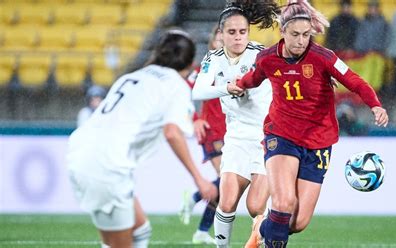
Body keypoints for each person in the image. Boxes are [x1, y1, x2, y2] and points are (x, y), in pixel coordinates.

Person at [235, 1, 389, 247]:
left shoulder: (323, 57)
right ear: (282, 32)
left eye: (306, 35)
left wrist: (375, 104)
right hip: (281, 135)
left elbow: (355, 81)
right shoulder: (267, 58)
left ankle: (261, 228)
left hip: (319, 142)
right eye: (295, 34)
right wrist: (239, 85)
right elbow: (253, 78)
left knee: (297, 222)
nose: (300, 41)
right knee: (283, 203)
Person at [67, 30, 218, 248]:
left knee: (139, 230)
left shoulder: (132, 76)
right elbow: (172, 132)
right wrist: (199, 179)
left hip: (81, 151)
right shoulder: (175, 85)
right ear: (190, 62)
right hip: (106, 164)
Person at [192, 1, 280, 247]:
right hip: (236, 139)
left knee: (255, 206)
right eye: (232, 32)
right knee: (227, 201)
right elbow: (198, 92)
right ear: (221, 33)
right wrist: (227, 89)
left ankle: (264, 236)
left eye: (242, 32)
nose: (238, 37)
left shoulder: (261, 54)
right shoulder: (214, 58)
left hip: (267, 138)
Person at [179, 25, 225, 245]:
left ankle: (201, 231)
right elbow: (182, 91)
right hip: (212, 131)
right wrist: (195, 118)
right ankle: (196, 198)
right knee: (227, 180)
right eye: (219, 38)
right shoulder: (206, 67)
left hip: (233, 131)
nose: (223, 41)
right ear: (213, 42)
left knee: (228, 185)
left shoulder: (240, 66)